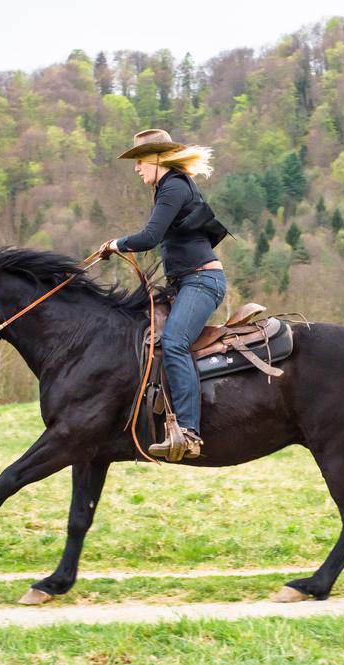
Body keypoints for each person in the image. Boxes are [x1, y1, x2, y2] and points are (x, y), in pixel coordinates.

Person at [99, 129, 228, 461]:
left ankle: (188, 432)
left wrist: (116, 244)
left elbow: (150, 236)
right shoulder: (170, 187)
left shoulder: (172, 187)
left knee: (173, 342)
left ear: (157, 159)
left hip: (202, 283)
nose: (137, 168)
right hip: (187, 283)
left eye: (140, 161)